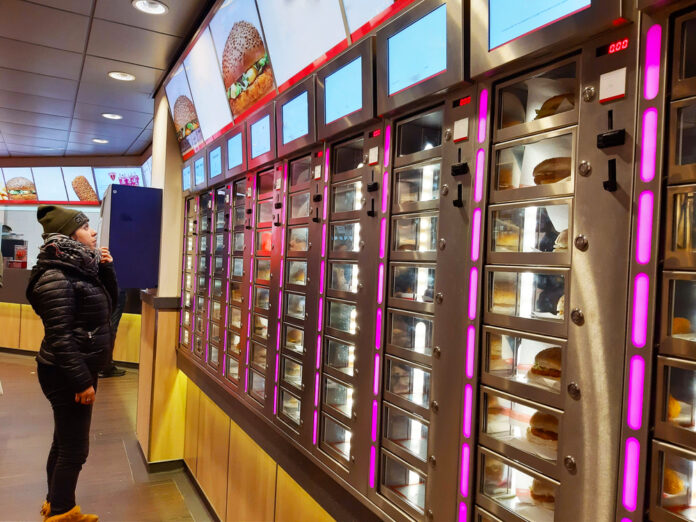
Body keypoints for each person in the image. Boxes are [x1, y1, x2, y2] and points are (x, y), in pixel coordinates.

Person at [26, 205, 118, 522]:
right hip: (66, 372)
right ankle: (63, 513)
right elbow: (61, 337)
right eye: (85, 226)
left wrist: (106, 269)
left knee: (64, 441)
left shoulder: (79, 268)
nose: (92, 231)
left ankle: (56, 503)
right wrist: (81, 381)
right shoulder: (56, 275)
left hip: (74, 367)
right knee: (75, 449)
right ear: (68, 235)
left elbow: (108, 308)